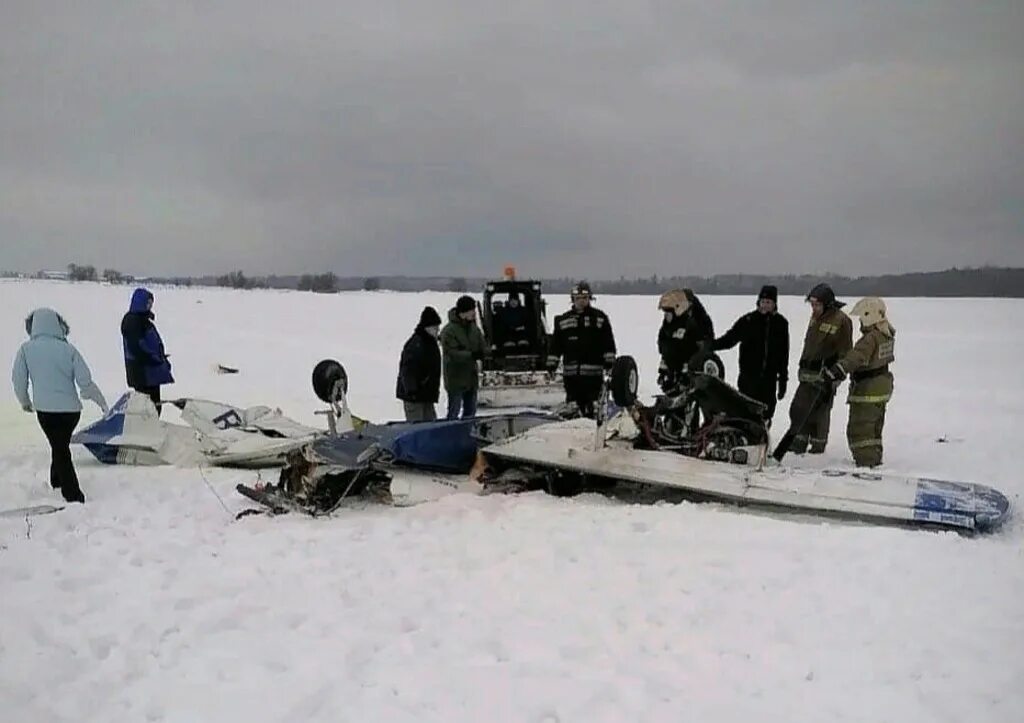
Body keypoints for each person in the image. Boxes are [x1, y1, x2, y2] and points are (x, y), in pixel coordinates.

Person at [11, 308, 109, 503]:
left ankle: (73, 495)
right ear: (58, 325)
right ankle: (57, 481)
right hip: (71, 412)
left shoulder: (25, 350)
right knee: (59, 445)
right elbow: (86, 382)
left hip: (46, 412)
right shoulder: (69, 349)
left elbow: (18, 380)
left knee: (60, 447)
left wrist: (25, 402)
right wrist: (101, 403)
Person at [822, 297, 895, 467]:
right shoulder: (886, 334)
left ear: (870, 315)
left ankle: (866, 462)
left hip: (868, 389)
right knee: (874, 427)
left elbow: (857, 357)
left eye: (862, 316)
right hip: (882, 386)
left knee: (860, 429)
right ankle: (874, 458)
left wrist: (837, 370)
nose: (861, 321)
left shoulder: (870, 338)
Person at [787, 283, 853, 454]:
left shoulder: (842, 321)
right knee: (799, 408)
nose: (814, 308)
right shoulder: (815, 317)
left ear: (828, 304)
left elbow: (846, 353)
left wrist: (837, 376)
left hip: (825, 375)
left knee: (820, 413)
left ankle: (818, 447)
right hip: (807, 373)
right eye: (812, 305)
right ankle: (799, 442)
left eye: (817, 305)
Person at [711, 285, 790, 423]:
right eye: (763, 301)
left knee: (766, 412)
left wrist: (783, 379)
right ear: (758, 302)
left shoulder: (781, 324)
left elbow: (784, 354)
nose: (765, 305)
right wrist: (710, 346)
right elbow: (730, 339)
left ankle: (763, 435)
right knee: (745, 411)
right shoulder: (748, 320)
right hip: (749, 377)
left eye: (769, 302)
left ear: (774, 304)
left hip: (769, 379)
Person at [550, 281, 616, 418]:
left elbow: (608, 343)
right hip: (571, 376)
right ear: (572, 299)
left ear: (590, 298)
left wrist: (610, 363)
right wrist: (551, 364)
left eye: (584, 298)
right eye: (578, 298)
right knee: (573, 409)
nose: (581, 301)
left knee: (594, 409)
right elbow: (556, 345)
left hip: (593, 375)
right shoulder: (563, 320)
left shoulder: (599, 318)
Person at [121, 287, 173, 415]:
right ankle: (146, 432)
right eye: (147, 303)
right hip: (142, 374)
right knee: (148, 409)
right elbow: (137, 348)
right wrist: (154, 359)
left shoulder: (143, 320)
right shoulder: (133, 321)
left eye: (151, 303)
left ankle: (151, 430)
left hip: (150, 374)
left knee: (154, 406)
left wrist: (162, 360)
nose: (150, 306)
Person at [656, 288, 715, 392]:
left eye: (669, 313)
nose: (667, 317)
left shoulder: (700, 319)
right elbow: (663, 339)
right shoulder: (673, 321)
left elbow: (706, 342)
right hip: (674, 362)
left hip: (693, 363)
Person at [440, 295, 486, 419]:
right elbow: (452, 353)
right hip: (455, 378)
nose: (474, 313)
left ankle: (468, 434)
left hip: (471, 378)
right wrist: (472, 355)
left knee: (470, 412)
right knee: (454, 411)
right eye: (472, 310)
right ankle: (449, 434)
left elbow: (482, 345)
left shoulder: (474, 329)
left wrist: (487, 353)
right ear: (463, 312)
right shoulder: (448, 331)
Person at [395, 306, 443, 422]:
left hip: (426, 395)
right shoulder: (415, 345)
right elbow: (407, 370)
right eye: (435, 327)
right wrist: (412, 390)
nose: (437, 330)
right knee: (417, 427)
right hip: (414, 397)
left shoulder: (431, 343)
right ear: (427, 327)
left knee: (430, 426)